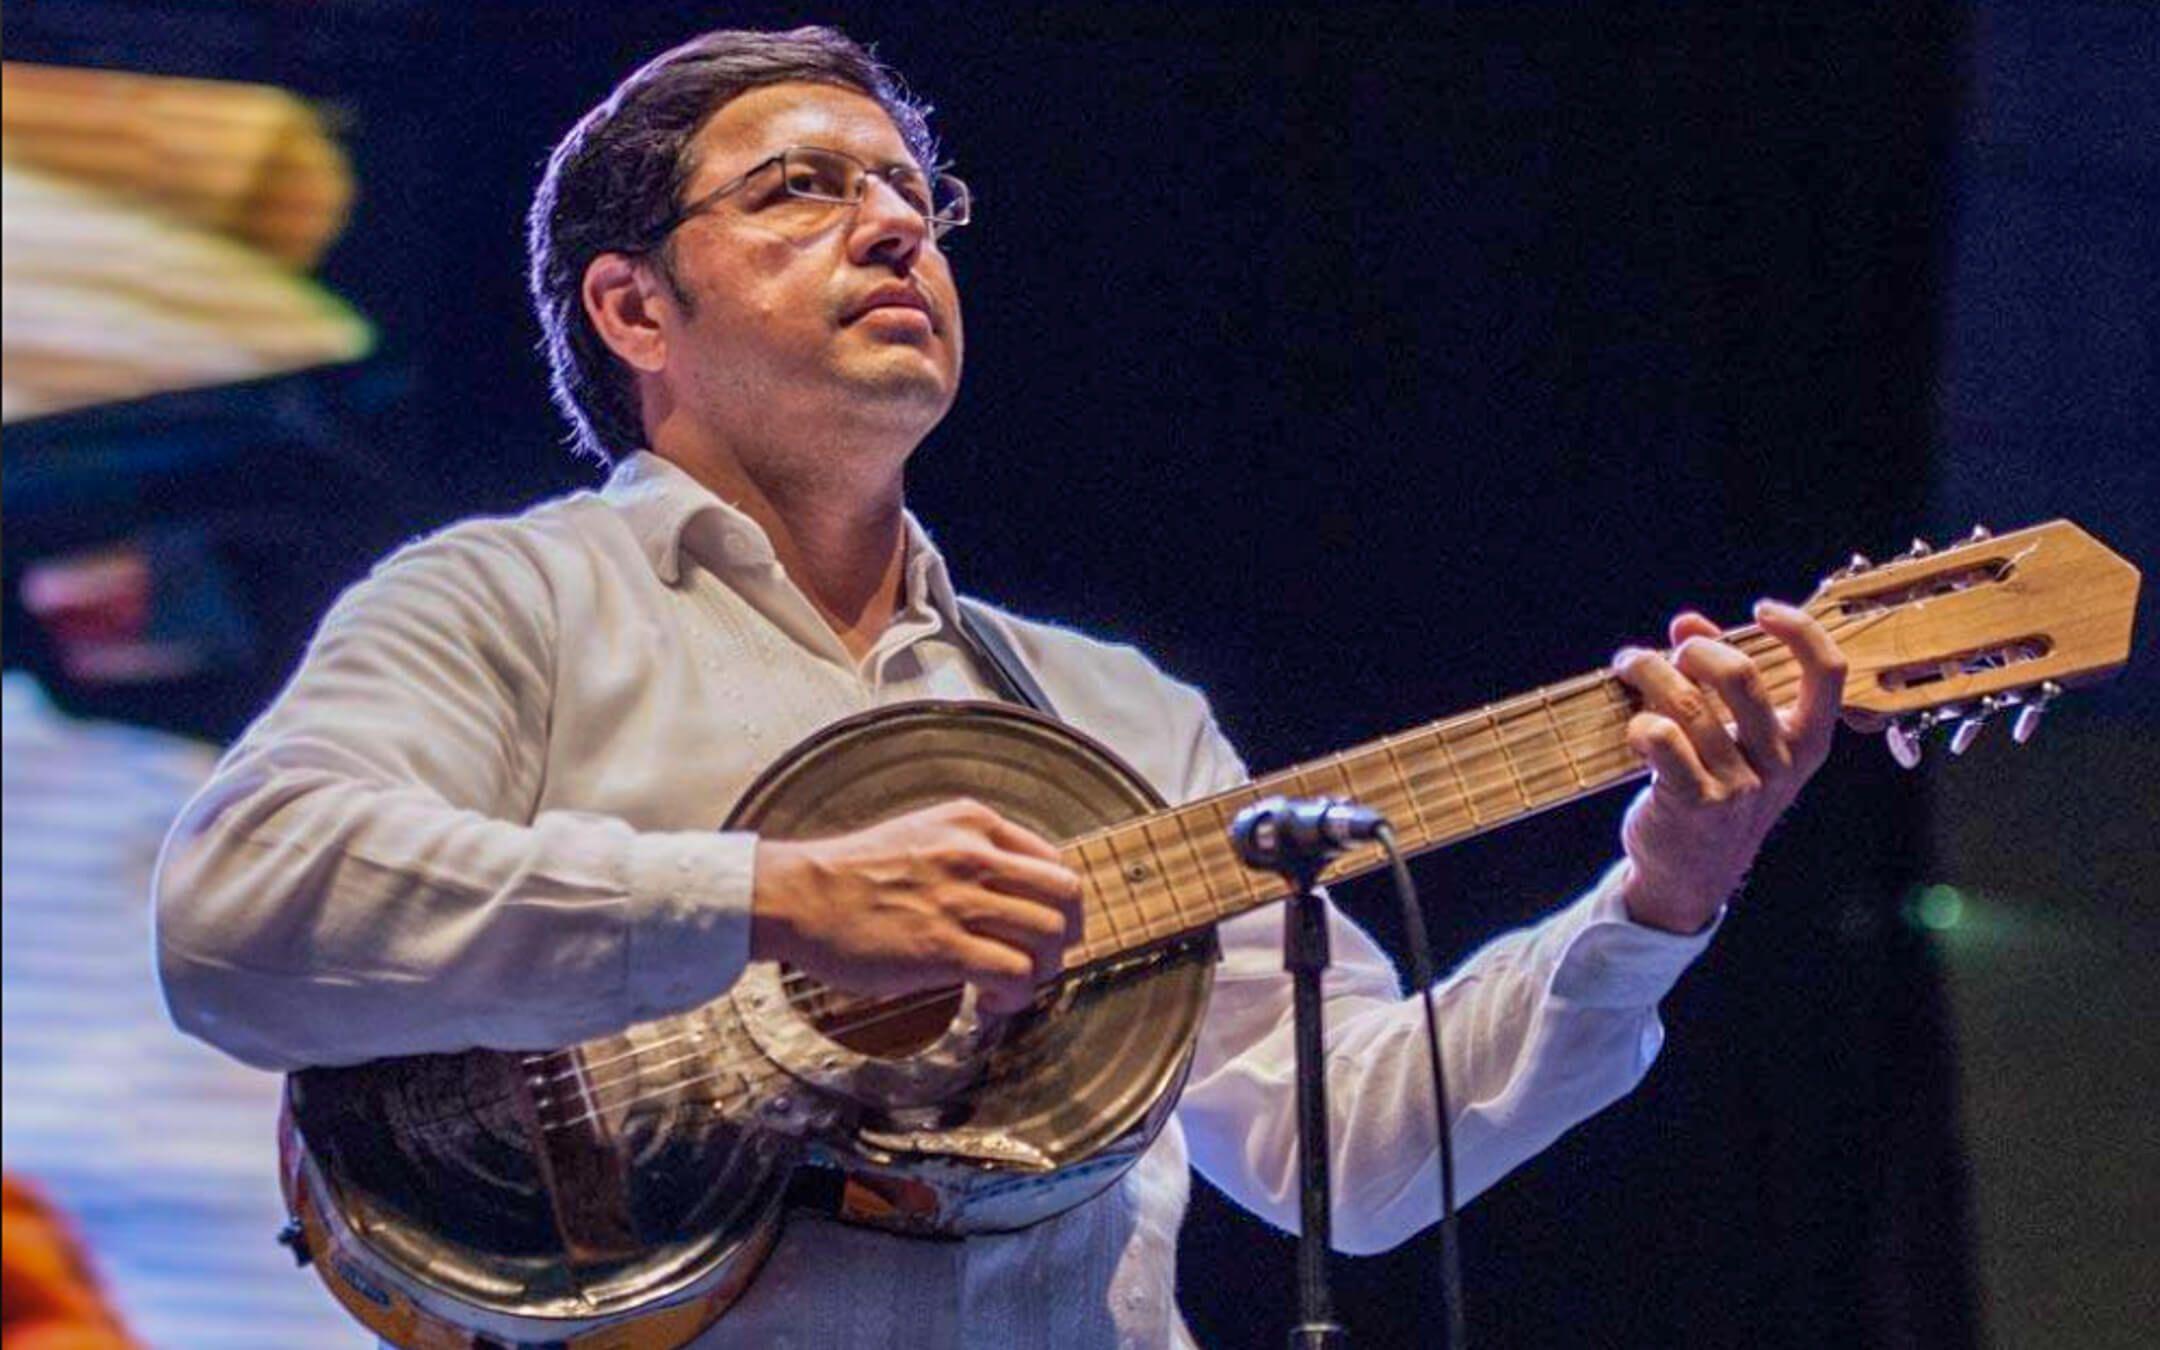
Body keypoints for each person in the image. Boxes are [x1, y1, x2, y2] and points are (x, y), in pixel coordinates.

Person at [153, 26, 1849, 1348]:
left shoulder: (1117, 716)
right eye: (801, 189)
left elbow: (1363, 1146)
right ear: (633, 305)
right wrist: (782, 899)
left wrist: (1661, 892)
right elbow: (235, 913)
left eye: (913, 194)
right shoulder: (509, 601)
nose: (895, 223)